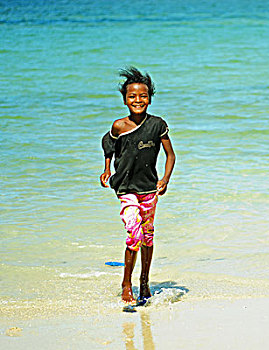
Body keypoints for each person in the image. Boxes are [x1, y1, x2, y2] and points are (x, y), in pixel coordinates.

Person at [100, 67, 176, 304]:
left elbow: (170, 155)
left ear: (150, 98)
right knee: (133, 233)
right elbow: (108, 146)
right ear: (124, 99)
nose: (138, 100)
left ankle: (144, 282)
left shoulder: (157, 125)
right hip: (125, 188)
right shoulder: (119, 126)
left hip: (149, 189)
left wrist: (165, 179)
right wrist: (107, 169)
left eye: (143, 96)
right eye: (132, 96)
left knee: (148, 237)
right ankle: (126, 283)